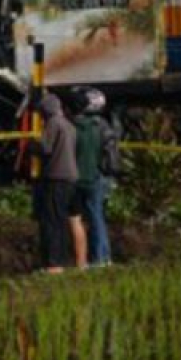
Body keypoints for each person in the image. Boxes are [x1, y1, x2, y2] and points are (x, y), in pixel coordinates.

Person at [73, 87, 118, 267]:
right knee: (97, 215)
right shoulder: (104, 125)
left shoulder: (81, 126)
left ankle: (99, 258)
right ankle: (103, 256)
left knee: (92, 216)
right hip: (101, 175)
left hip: (88, 176)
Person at [34, 93, 78, 273]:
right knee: (62, 221)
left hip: (55, 178)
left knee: (51, 221)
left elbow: (45, 148)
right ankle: (62, 259)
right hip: (70, 179)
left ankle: (53, 264)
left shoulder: (53, 124)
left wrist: (32, 145)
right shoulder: (69, 125)